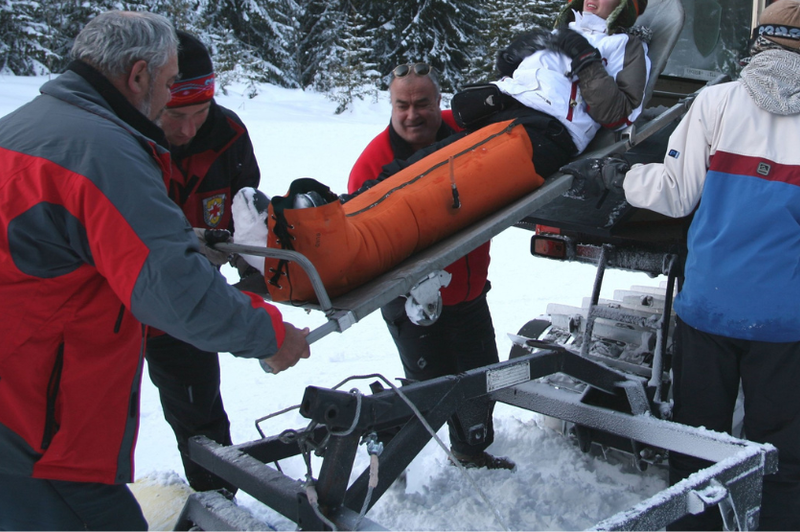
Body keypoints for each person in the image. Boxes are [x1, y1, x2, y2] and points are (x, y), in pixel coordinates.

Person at [0, 11, 309, 531]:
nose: (172, 101)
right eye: (168, 84)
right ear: (138, 76)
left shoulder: (23, 128)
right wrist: (269, 333)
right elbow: (175, 290)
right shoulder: (101, 151)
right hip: (38, 425)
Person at [601, 1, 800, 528]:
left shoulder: (716, 103)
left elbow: (673, 194)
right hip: (786, 322)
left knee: (697, 444)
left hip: (709, 308)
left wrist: (617, 177)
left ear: (760, 41)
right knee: (782, 451)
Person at [348, 64, 512, 470]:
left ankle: (471, 451)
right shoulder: (371, 166)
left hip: (471, 292)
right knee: (429, 389)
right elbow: (359, 246)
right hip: (413, 304)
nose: (411, 114)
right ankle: (379, 449)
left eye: (422, 103)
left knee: (480, 382)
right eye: (401, 105)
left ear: (438, 101)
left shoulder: (467, 132)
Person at [146, 30, 264, 494]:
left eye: (200, 113)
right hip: (113, 306)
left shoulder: (227, 133)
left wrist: (254, 274)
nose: (188, 128)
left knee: (199, 413)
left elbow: (246, 211)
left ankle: (217, 501)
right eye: (175, 115)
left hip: (191, 304)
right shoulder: (121, 140)